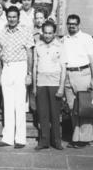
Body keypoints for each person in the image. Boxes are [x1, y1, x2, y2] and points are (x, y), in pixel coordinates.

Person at [0, 6, 34, 148]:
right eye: (9, 16)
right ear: (7, 17)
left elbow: (30, 53)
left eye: (14, 17)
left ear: (18, 17)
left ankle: (20, 139)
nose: (12, 19)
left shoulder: (25, 31)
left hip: (20, 67)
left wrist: (29, 73)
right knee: (8, 104)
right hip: (7, 68)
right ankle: (7, 138)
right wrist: (0, 74)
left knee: (19, 104)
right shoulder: (2, 32)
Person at [63, 14, 93, 149]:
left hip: (82, 74)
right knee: (73, 109)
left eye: (74, 24)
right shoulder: (64, 39)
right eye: (69, 23)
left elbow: (92, 60)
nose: (71, 26)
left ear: (79, 25)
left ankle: (84, 138)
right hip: (68, 75)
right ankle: (76, 137)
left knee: (84, 108)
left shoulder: (86, 38)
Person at [33, 20, 67, 151]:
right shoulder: (38, 45)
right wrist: (35, 86)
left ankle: (57, 141)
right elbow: (35, 66)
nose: (47, 35)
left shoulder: (60, 46)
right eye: (45, 33)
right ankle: (44, 141)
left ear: (54, 33)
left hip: (54, 83)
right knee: (43, 114)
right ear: (42, 32)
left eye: (50, 33)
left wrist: (61, 87)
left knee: (54, 114)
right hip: (41, 83)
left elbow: (63, 68)